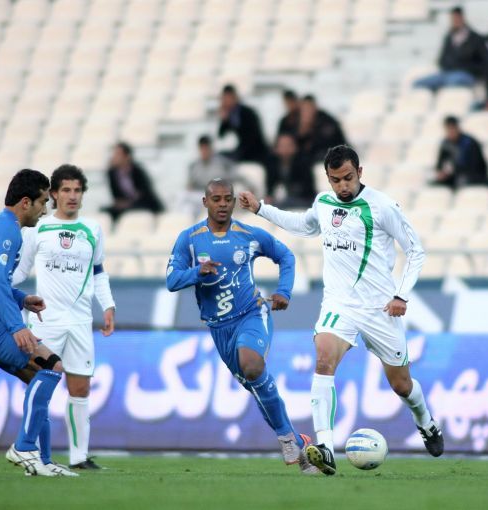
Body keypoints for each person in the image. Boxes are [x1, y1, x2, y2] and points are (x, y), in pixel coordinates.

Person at [239, 145, 443, 476]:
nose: (342, 186)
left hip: (380, 308)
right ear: (328, 178)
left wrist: (401, 295)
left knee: (402, 385)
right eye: (335, 180)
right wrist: (261, 208)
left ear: (359, 172)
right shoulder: (324, 203)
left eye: (348, 178)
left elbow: (416, 251)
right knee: (323, 359)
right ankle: (326, 448)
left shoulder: (382, 207)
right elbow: (302, 224)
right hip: (339, 304)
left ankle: (426, 422)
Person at [165, 178, 318, 475]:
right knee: (256, 387)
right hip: (219, 328)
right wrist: (197, 272)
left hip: (251, 314)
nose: (223, 204)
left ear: (234, 202)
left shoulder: (248, 235)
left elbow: (285, 256)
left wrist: (284, 291)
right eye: (216, 199)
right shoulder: (189, 239)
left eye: (228, 199)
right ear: (205, 202)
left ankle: (287, 440)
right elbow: (172, 280)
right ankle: (298, 443)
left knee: (252, 365)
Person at [0, 169, 77, 477]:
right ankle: (24, 448)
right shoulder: (9, 230)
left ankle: (43, 461)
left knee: (39, 377)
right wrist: (16, 326)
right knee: (52, 366)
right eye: (42, 202)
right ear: (26, 202)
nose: (45, 209)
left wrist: (21, 299)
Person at [13, 164, 116, 470]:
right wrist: (1, 291)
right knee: (41, 386)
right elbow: (20, 271)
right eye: (66, 190)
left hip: (81, 322)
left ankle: (79, 457)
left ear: (83, 194)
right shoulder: (38, 229)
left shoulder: (92, 229)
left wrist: (108, 305)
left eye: (77, 190)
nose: (72, 196)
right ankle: (34, 454)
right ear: (54, 194)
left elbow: (98, 271)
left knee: (80, 390)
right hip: (46, 321)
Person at [218, 84, 280, 200]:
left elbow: (254, 136)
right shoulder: (231, 115)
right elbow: (221, 135)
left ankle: (269, 194)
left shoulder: (247, 113)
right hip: (242, 149)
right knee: (219, 157)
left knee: (271, 162)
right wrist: (224, 120)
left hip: (256, 149)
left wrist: (241, 152)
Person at [414, 6, 487, 91]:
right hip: (448, 73)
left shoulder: (476, 39)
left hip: (467, 74)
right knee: (418, 83)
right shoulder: (449, 38)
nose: (455, 21)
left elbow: (484, 63)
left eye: (456, 18)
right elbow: (441, 59)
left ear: (462, 18)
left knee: (452, 82)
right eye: (453, 19)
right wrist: (449, 66)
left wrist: (466, 67)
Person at [103, 141, 165, 223]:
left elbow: (145, 192)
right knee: (105, 212)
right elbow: (116, 196)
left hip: (143, 203)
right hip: (125, 205)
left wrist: (129, 202)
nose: (114, 157)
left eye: (117, 154)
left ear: (127, 156)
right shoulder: (111, 173)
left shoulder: (138, 170)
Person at [433, 116, 488, 190]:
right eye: (448, 129)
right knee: (435, 185)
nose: (450, 132)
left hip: (474, 176)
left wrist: (454, 170)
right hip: (456, 176)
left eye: (452, 128)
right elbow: (440, 165)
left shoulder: (469, 143)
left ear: (457, 128)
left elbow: (476, 166)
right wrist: (442, 173)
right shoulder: (446, 144)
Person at [296, 95, 347, 165]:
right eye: (304, 109)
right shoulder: (298, 122)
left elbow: (327, 144)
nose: (307, 112)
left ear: (315, 107)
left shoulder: (326, 121)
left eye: (309, 108)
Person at [273, 132, 317, 209]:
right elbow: (272, 185)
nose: (285, 149)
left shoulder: (303, 163)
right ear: (276, 149)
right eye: (282, 146)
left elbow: (307, 188)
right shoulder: (273, 164)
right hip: (284, 199)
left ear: (295, 147)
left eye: (288, 145)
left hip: (304, 199)